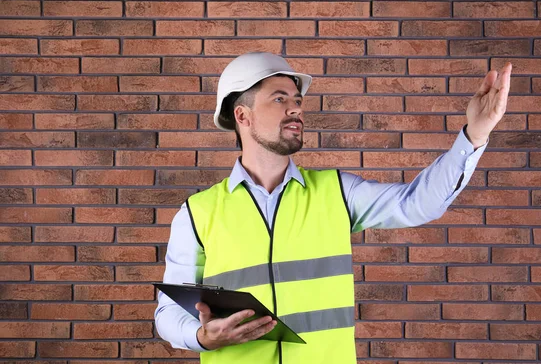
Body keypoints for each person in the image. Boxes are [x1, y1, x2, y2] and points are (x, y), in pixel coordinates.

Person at [155, 52, 513, 364]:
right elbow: (168, 312)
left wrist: (475, 135)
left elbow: (420, 203)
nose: (295, 107)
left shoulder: (337, 192)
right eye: (279, 99)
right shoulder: (197, 213)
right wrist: (203, 338)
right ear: (242, 116)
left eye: (297, 99)